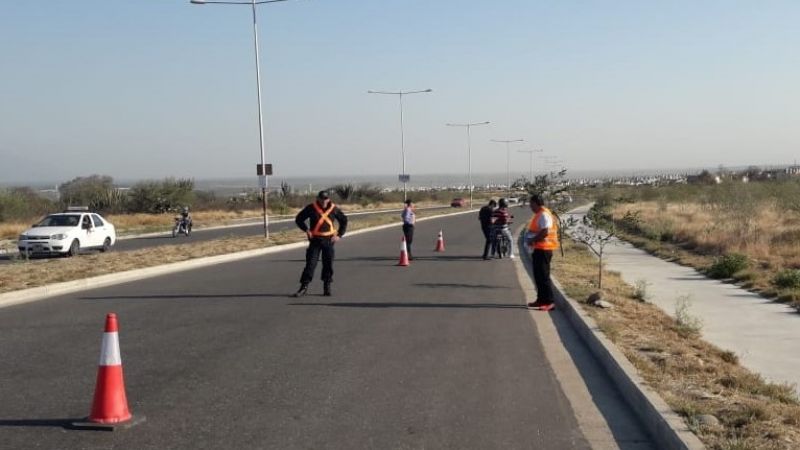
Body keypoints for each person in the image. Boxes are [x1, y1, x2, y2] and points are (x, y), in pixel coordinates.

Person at [292, 190, 348, 297]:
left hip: (329, 240)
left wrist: (339, 235)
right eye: (321, 198)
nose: (323, 201)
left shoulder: (334, 209)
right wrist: (306, 230)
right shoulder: (311, 208)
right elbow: (299, 219)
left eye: (326, 198)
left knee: (328, 264)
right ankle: (303, 287)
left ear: (328, 199)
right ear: (318, 198)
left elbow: (344, 220)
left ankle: (327, 286)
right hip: (315, 240)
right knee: (310, 264)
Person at [525, 194, 559, 311]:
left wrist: (532, 240)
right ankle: (541, 299)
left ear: (536, 203)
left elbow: (545, 232)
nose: (530, 207)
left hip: (544, 249)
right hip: (538, 249)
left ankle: (550, 302)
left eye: (531, 204)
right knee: (538, 276)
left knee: (544, 276)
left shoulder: (544, 214)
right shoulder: (539, 214)